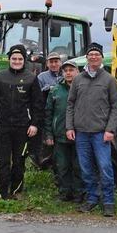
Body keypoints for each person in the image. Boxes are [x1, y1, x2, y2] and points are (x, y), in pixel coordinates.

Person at [66, 43, 117, 217]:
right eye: (90, 54)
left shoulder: (109, 80)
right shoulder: (78, 79)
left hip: (101, 133)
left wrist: (110, 129)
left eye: (97, 55)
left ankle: (108, 201)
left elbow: (116, 106)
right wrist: (69, 126)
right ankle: (92, 198)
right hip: (81, 133)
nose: (93, 57)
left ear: (100, 58)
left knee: (105, 167)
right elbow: (70, 104)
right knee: (86, 168)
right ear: (87, 57)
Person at [0, 44, 44, 203]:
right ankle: (0, 193)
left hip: (22, 126)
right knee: (2, 160)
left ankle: (17, 191)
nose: (17, 61)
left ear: (24, 60)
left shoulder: (31, 78)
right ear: (9, 59)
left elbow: (37, 104)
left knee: (19, 160)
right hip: (3, 125)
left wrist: (35, 124)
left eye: (20, 59)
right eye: (14, 58)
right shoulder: (0, 77)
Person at [44, 60, 84, 203]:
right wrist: (48, 134)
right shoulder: (55, 90)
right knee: (62, 166)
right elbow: (48, 113)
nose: (68, 73)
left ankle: (79, 194)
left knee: (78, 166)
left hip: (80, 135)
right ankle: (65, 193)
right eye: (65, 70)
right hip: (60, 135)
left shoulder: (83, 89)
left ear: (77, 72)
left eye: (71, 70)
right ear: (62, 73)